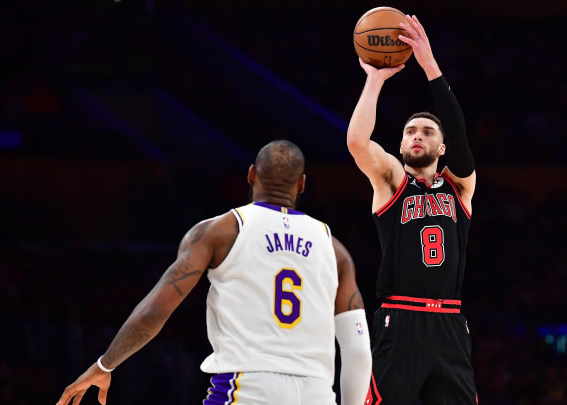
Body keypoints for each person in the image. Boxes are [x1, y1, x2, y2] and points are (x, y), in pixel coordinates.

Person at [56, 140, 372, 405]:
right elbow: (357, 351)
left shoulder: (221, 231)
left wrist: (105, 364)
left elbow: (155, 311)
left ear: (250, 175)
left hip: (247, 389)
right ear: (302, 184)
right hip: (317, 393)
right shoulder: (335, 249)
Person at [346, 15, 477, 405]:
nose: (416, 135)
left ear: (442, 148)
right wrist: (374, 80)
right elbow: (357, 141)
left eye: (427, 132)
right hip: (399, 319)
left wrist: (429, 64)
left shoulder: (460, 188)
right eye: (409, 132)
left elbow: (459, 131)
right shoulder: (390, 182)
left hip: (450, 324)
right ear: (401, 145)